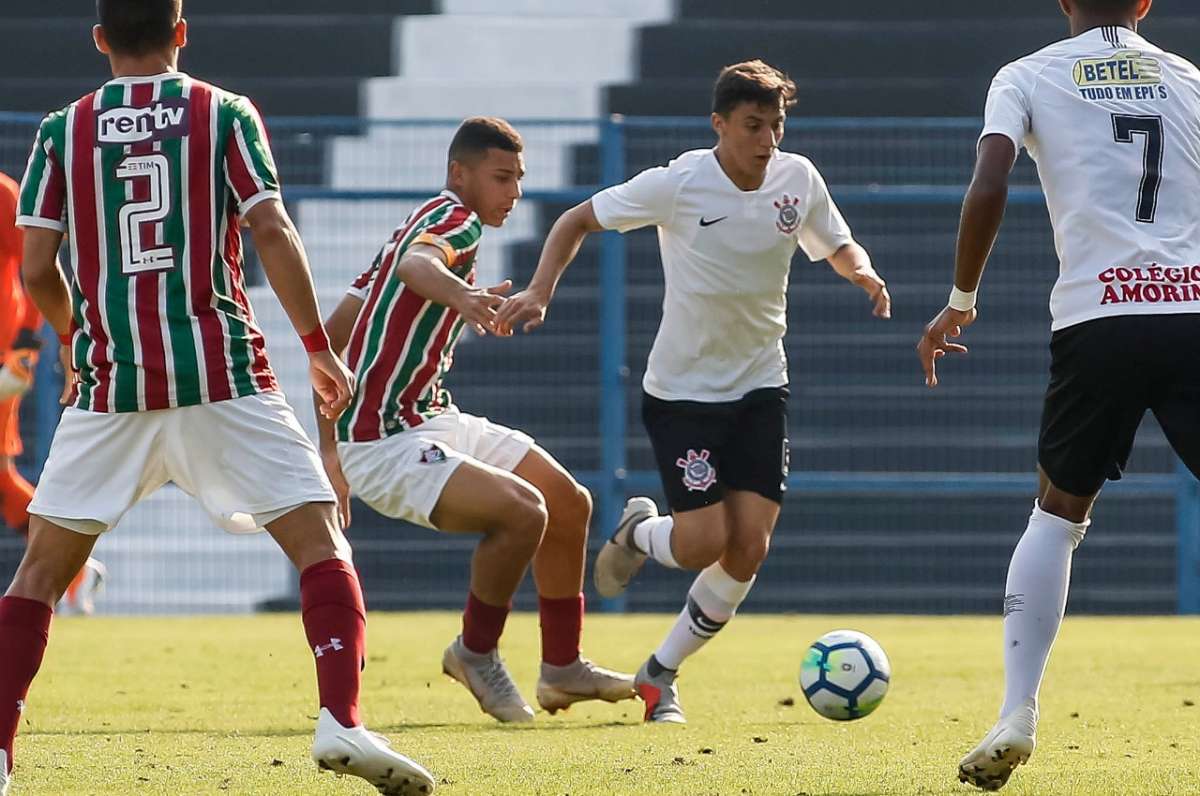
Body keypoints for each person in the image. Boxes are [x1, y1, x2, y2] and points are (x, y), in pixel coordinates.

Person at [0, 2, 435, 794]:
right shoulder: (223, 112)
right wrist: (317, 347)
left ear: (99, 39)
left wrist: (72, 337)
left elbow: (36, 270)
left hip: (112, 385)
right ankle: (340, 720)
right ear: (181, 31)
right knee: (321, 544)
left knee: (37, 578)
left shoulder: (62, 130)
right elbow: (271, 228)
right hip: (222, 375)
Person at [498, 59, 891, 723]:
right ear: (719, 124)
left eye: (776, 125)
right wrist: (539, 290)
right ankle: (640, 532)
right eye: (753, 125)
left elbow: (836, 241)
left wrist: (863, 272)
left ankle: (660, 674)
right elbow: (573, 220)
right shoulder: (678, 184)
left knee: (750, 546)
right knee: (703, 543)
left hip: (761, 385)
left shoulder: (798, 179)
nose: (767, 140)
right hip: (683, 395)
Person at [916, 0, 1200, 789]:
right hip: (1191, 314)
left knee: (1058, 511)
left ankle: (1017, 713)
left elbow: (989, 181)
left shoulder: (1026, 75)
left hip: (1098, 318)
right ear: (1146, 2)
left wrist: (961, 300)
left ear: (1064, 1)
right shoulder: (1188, 79)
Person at [318, 117, 635, 724]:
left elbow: (330, 338)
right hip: (387, 441)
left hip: (430, 416)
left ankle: (562, 666)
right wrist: (463, 297)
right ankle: (475, 651)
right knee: (524, 512)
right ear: (459, 174)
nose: (514, 192)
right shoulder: (453, 223)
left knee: (568, 502)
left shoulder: (413, 226)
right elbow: (417, 267)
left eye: (518, 178)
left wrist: (328, 448)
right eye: (501, 177)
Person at [0, 169, 107, 616]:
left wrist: (25, 345)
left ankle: (73, 568)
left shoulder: (3, 193)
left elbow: (35, 267)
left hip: (4, 353)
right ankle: (76, 570)